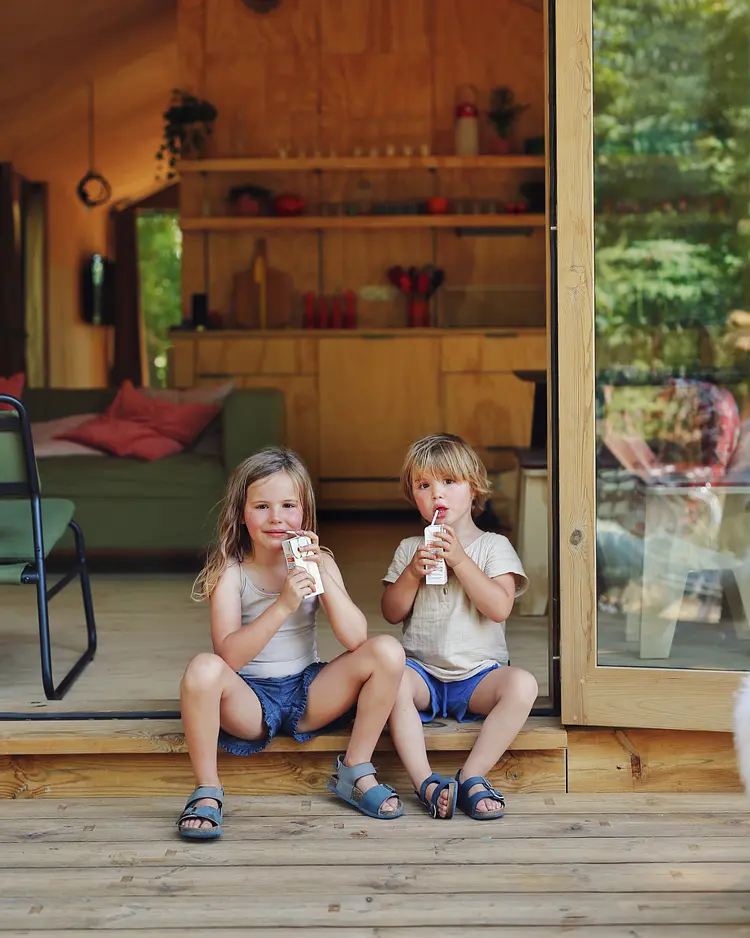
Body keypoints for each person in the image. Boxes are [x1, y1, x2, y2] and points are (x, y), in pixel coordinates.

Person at [177, 447, 405, 838]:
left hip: (308, 693)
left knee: (387, 650)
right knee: (201, 669)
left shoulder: (320, 562)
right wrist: (283, 605)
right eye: (262, 506)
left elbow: (355, 639)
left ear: (305, 513)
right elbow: (228, 656)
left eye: (288, 505)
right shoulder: (230, 571)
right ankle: (207, 789)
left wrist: (321, 575)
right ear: (241, 513)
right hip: (249, 699)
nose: (276, 518)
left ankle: (356, 768)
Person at [383, 434, 538, 820]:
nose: (437, 493)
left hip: (479, 677)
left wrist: (461, 561)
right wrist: (412, 573)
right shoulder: (409, 548)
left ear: (474, 489)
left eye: (449, 482)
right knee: (389, 681)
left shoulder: (493, 546)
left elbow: (500, 607)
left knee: (523, 685)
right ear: (413, 496)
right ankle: (425, 782)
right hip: (423, 674)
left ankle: (472, 776)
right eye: (424, 485)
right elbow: (391, 611)